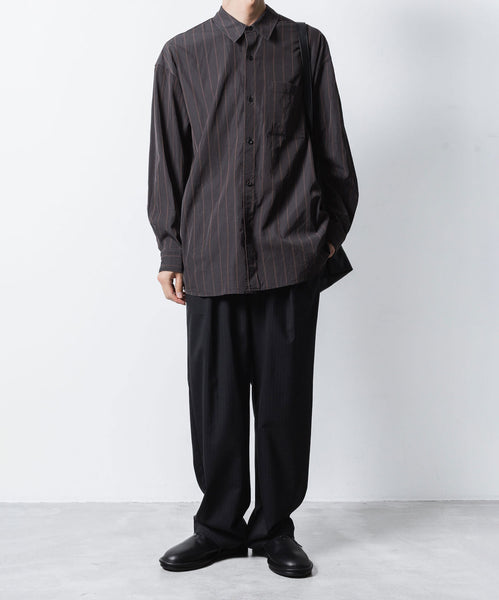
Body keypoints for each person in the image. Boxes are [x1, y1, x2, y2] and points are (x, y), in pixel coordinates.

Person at [147, 0, 358, 578]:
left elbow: (333, 151)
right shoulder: (180, 54)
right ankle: (217, 529)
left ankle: (274, 529)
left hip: (290, 256)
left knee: (284, 401)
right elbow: (168, 161)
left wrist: (326, 239)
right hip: (210, 257)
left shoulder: (306, 45)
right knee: (214, 401)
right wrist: (171, 249)